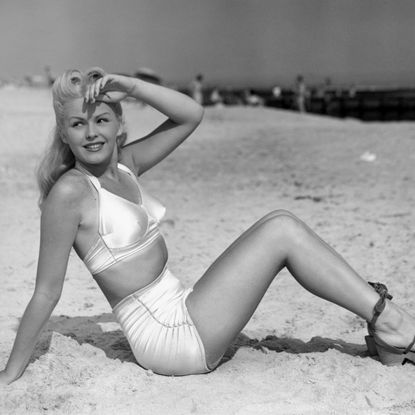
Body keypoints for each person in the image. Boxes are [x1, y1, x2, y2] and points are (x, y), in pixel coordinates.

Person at [1, 68, 414, 385]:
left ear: (119, 124)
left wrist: (130, 85)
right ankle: (391, 324)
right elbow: (46, 293)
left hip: (184, 305)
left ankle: (386, 323)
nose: (91, 133)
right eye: (78, 124)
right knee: (281, 231)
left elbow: (189, 115)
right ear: (64, 133)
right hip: (168, 338)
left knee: (278, 221)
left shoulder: (125, 165)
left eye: (101, 121)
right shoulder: (69, 195)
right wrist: (9, 374)